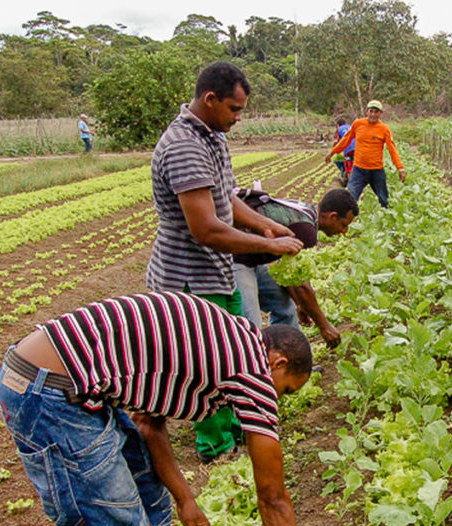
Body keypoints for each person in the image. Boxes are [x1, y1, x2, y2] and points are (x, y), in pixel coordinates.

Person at [0, 291, 310, 526]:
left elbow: (147, 421)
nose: (278, 400)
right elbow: (272, 497)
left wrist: (185, 499)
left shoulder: (227, 337)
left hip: (68, 386)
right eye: (286, 390)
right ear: (278, 364)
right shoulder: (252, 369)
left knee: (151, 499)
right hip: (49, 393)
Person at [146, 60, 303, 463]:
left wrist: (267, 225)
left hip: (216, 272)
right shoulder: (183, 145)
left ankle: (238, 428)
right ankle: (215, 447)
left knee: (237, 351)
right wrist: (267, 247)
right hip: (188, 279)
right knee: (204, 363)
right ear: (209, 99)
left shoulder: (211, 137)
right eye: (234, 110)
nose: (237, 118)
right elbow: (206, 228)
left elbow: (226, 198)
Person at [233, 187, 359, 347]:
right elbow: (302, 286)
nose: (344, 231)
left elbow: (290, 274)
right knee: (251, 326)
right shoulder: (306, 229)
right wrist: (324, 326)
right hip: (234, 258)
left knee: (285, 307)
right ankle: (255, 368)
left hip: (252, 259)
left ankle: (292, 362)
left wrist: (300, 304)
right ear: (332, 216)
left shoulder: (306, 210)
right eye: (343, 225)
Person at [324, 100, 405, 207]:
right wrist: (332, 152)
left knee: (384, 200)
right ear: (367, 111)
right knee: (351, 199)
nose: (373, 114)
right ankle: (346, 222)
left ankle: (389, 220)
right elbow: (345, 140)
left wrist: (400, 168)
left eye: (376, 112)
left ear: (381, 113)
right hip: (359, 170)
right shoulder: (358, 124)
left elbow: (392, 149)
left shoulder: (384, 129)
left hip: (377, 171)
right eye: (371, 111)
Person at [332, 117, 356, 186]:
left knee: (348, 166)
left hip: (348, 150)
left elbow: (336, 141)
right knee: (355, 164)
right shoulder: (350, 127)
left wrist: (333, 150)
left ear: (338, 125)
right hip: (357, 148)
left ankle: (351, 184)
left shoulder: (339, 129)